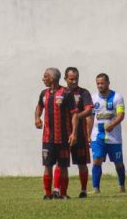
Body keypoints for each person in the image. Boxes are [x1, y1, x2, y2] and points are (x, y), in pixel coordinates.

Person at [35, 68, 78, 199]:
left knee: (63, 166)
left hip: (63, 137)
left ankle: (63, 193)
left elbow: (74, 114)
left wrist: (73, 133)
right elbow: (39, 107)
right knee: (47, 165)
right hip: (48, 137)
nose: (43, 79)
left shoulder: (66, 93)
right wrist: (37, 118)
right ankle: (48, 194)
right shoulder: (43, 93)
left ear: (53, 78)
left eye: (45, 76)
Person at [89, 73, 126, 193]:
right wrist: (88, 134)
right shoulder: (93, 98)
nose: (100, 85)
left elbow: (121, 115)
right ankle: (96, 188)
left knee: (118, 163)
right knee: (97, 159)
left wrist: (112, 125)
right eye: (98, 83)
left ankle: (121, 186)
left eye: (102, 83)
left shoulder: (117, 97)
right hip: (97, 136)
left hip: (114, 137)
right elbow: (90, 118)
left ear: (108, 83)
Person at [64, 67, 94, 198]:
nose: (74, 81)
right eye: (71, 79)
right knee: (61, 163)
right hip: (63, 134)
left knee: (82, 163)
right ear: (65, 79)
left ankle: (83, 190)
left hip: (80, 134)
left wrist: (76, 116)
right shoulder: (61, 93)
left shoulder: (84, 93)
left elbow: (88, 110)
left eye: (76, 78)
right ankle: (59, 190)